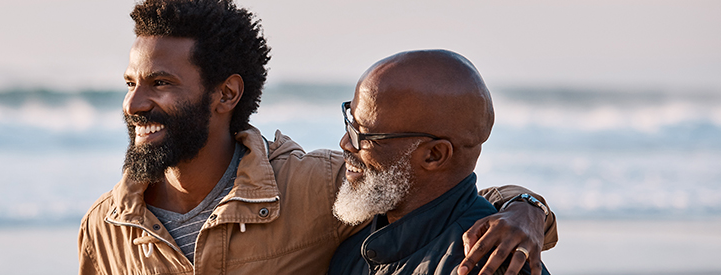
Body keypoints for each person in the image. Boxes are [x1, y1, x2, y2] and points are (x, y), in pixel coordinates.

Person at [78, 1, 556, 274]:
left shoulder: (316, 189)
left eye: (160, 83)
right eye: (130, 84)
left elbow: (444, 199)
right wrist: (527, 209)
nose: (134, 103)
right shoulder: (104, 228)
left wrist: (525, 211)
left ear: (226, 94)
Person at [327, 49, 551, 275]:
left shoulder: (490, 264)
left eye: (363, 134)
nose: (345, 143)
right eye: (350, 122)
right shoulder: (356, 244)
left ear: (434, 155)